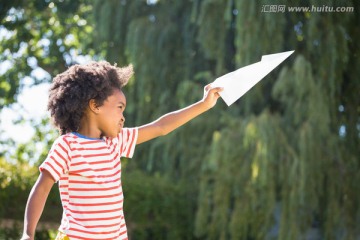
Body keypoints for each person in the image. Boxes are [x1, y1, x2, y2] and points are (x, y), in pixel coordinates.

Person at [21, 61, 223, 240]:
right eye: (119, 107)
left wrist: (204, 105)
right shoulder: (67, 145)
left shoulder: (115, 141)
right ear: (95, 105)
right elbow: (42, 188)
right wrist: (28, 234)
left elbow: (161, 127)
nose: (123, 117)